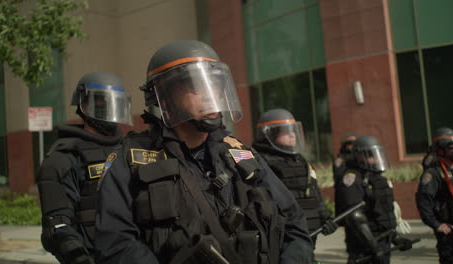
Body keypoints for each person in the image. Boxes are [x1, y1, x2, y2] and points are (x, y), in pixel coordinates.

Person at [95, 40, 313, 264]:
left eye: (215, 84)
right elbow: (115, 244)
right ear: (165, 95)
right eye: (195, 85)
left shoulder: (241, 153)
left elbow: (294, 223)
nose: (210, 95)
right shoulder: (131, 159)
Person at [36, 72, 132, 264]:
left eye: (113, 104)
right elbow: (57, 226)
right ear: (84, 106)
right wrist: (79, 258)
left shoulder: (132, 150)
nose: (108, 111)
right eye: (100, 104)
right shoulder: (62, 159)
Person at [252, 108, 338, 247]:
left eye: (293, 130)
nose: (293, 135)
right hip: (282, 238)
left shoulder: (300, 161)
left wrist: (325, 217)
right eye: (286, 131)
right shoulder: (261, 163)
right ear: (269, 134)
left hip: (309, 234)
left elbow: (313, 193)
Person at [335, 136, 412, 264]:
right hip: (363, 247)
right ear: (358, 156)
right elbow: (356, 217)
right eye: (370, 155)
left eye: (377, 155)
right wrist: (375, 248)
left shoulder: (378, 180)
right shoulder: (352, 179)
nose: (375, 158)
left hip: (382, 244)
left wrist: (396, 238)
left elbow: (383, 215)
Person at [416, 127, 453, 264]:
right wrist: (436, 225)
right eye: (451, 146)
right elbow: (423, 202)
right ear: (440, 149)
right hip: (450, 234)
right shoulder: (433, 174)